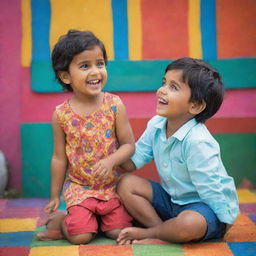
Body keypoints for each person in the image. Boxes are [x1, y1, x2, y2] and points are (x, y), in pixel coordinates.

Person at [116, 57, 240, 244]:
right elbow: (132, 162)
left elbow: (211, 189)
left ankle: (158, 233)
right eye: (164, 83)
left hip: (202, 208)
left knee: (189, 224)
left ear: (196, 105)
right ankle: (160, 231)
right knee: (126, 183)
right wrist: (112, 147)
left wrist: (225, 224)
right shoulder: (157, 124)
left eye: (173, 87)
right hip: (171, 200)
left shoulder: (198, 141)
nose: (161, 90)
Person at [37, 30, 135, 245]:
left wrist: (111, 161)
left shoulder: (114, 105)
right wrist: (55, 196)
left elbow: (129, 145)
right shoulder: (61, 114)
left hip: (111, 187)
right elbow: (59, 158)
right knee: (80, 237)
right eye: (84, 66)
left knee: (118, 232)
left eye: (100, 63)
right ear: (65, 76)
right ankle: (63, 221)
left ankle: (93, 220)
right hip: (80, 188)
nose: (95, 71)